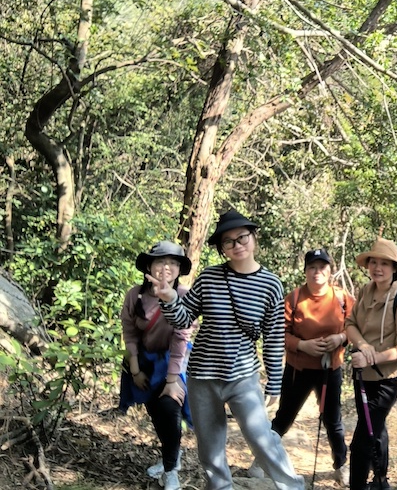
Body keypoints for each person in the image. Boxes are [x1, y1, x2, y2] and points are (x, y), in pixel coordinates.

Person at [151, 209, 304, 490]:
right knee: (210, 448)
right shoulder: (209, 278)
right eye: (228, 242)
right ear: (222, 248)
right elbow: (184, 319)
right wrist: (170, 299)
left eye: (242, 238)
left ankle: (292, 486)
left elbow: (272, 337)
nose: (237, 245)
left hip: (243, 377)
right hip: (202, 376)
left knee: (261, 437)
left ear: (253, 238)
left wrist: (274, 383)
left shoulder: (270, 284)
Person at [271, 247, 355, 486]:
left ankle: (341, 464)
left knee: (333, 420)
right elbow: (278, 332)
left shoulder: (342, 298)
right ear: (306, 270)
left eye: (322, 267)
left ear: (330, 271)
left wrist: (340, 339)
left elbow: (357, 326)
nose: (317, 272)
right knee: (284, 417)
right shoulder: (294, 298)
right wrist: (302, 345)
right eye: (312, 267)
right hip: (298, 370)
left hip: (331, 370)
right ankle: (263, 458)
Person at [344, 237, 397, 490]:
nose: (378, 268)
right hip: (362, 374)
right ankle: (380, 480)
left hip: (386, 378)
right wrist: (364, 347)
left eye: (384, 264)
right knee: (374, 429)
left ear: (394, 268)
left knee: (361, 441)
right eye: (373, 262)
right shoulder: (367, 290)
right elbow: (350, 324)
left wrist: (373, 356)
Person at [119, 241, 193, 490]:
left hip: (174, 363)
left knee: (170, 408)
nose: (166, 267)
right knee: (156, 414)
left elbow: (181, 337)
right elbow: (129, 333)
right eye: (160, 261)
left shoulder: (184, 295)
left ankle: (171, 470)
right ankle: (169, 456)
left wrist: (172, 381)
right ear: (149, 266)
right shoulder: (135, 295)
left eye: (173, 262)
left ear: (179, 268)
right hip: (143, 362)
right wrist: (135, 370)